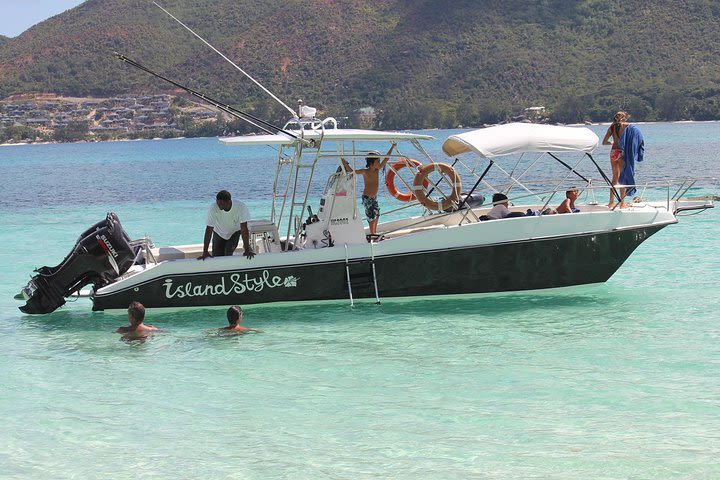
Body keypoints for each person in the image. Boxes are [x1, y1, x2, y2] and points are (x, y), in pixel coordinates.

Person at [341, 144, 396, 236]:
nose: (379, 163)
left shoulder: (377, 170)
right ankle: (372, 234)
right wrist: (345, 163)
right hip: (367, 198)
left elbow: (386, 159)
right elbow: (351, 171)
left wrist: (392, 147)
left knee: (377, 214)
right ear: (371, 163)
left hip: (374, 197)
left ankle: (374, 232)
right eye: (377, 161)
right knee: (371, 217)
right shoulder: (365, 171)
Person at [198, 190, 255, 260]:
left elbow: (244, 228)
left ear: (229, 201)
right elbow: (209, 229)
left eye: (221, 203)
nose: (218, 205)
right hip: (218, 233)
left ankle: (248, 248)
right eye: (217, 202)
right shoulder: (213, 208)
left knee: (227, 252)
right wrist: (205, 251)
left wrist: (246, 249)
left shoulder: (240, 207)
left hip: (234, 232)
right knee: (217, 257)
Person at [602, 111, 629, 207]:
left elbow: (604, 142)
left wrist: (613, 143)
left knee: (614, 177)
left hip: (613, 152)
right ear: (624, 118)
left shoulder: (611, 127)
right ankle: (622, 203)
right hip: (621, 152)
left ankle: (611, 202)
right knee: (622, 177)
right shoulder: (626, 126)